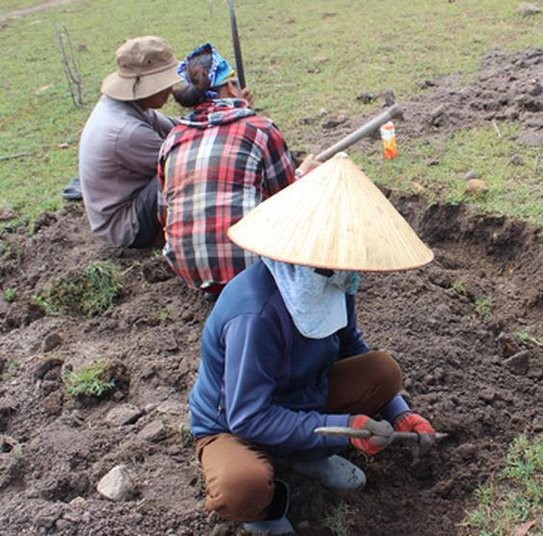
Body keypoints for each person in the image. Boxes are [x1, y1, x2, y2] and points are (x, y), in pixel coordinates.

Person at [189, 153, 439, 535]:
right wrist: (344, 427)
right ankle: (266, 510)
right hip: (233, 425)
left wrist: (397, 410)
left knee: (382, 371)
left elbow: (352, 346)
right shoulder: (255, 315)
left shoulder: (330, 279)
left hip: (302, 397)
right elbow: (249, 415)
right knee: (242, 486)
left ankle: (306, 453)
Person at [158, 43, 317, 296]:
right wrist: (306, 175)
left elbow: (164, 214)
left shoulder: (173, 138)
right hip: (249, 269)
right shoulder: (259, 128)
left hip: (189, 272)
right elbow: (287, 201)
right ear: (232, 86)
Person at [78, 36, 183, 248]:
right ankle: (172, 235)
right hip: (125, 225)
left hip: (132, 199)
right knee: (185, 170)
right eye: (164, 85)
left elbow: (180, 128)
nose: (170, 91)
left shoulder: (129, 107)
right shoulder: (127, 132)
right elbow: (185, 157)